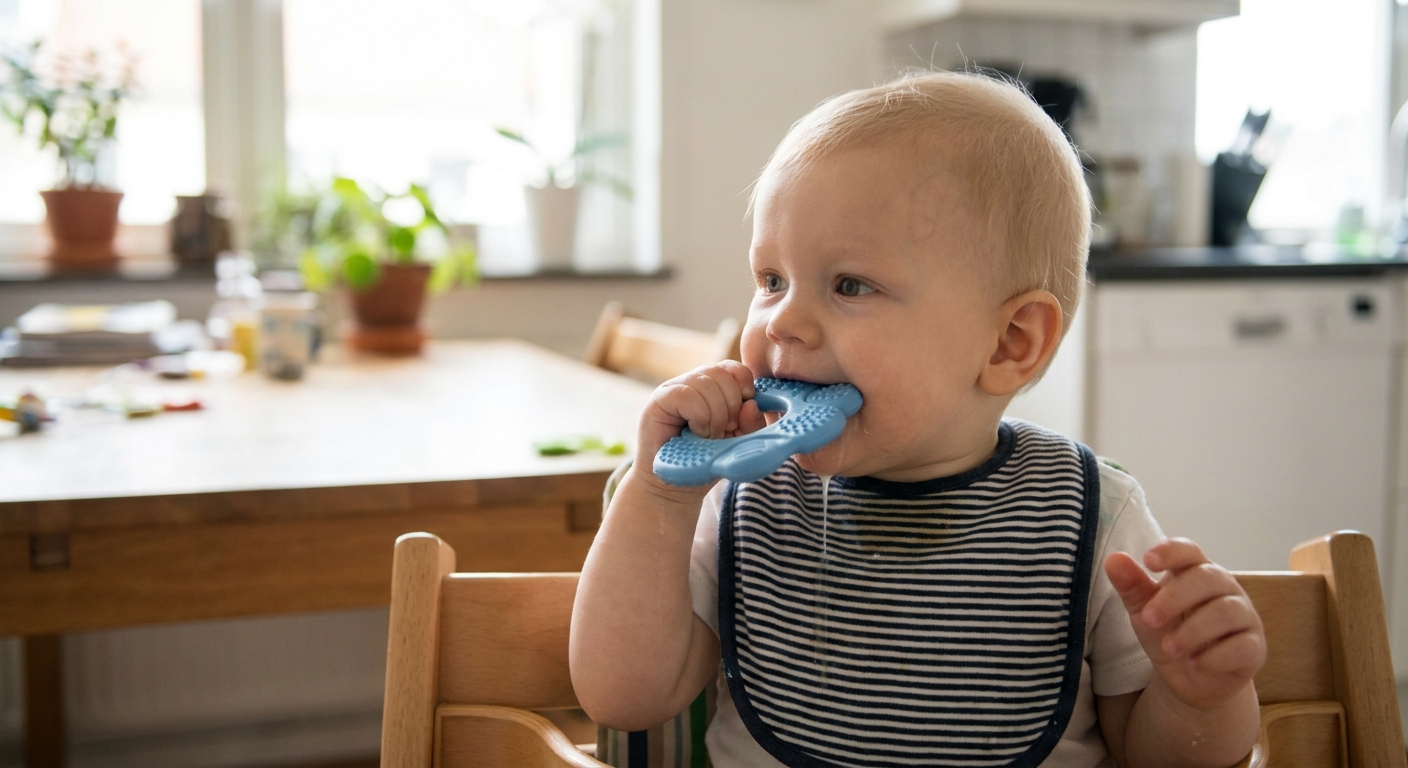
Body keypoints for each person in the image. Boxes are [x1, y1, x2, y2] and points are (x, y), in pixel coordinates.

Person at [570, 71, 1265, 767]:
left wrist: (1198, 699)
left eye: (850, 285)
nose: (782, 320)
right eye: (771, 281)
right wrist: (660, 499)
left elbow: (1161, 758)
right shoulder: (738, 498)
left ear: (1008, 343)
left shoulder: (1093, 518)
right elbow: (624, 698)